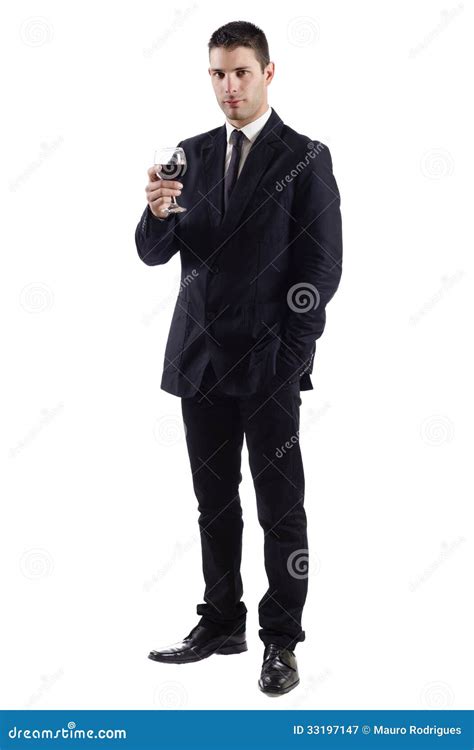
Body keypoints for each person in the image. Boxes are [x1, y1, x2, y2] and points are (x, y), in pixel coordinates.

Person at [135, 20, 343, 696]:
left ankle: (280, 641)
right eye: (219, 74)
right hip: (199, 361)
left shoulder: (305, 158)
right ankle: (221, 620)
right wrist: (158, 212)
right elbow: (152, 251)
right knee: (214, 503)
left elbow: (321, 266)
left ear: (268, 73)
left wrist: (293, 351)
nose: (229, 86)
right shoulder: (188, 156)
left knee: (281, 509)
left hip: (268, 363)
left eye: (241, 73)